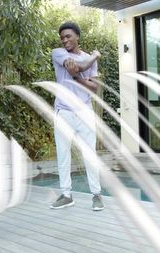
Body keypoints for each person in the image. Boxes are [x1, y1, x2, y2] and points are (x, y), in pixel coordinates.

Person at [49, 21, 104, 211]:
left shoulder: (88, 58)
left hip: (84, 111)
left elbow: (95, 87)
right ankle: (66, 195)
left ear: (77, 36)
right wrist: (95, 56)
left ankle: (96, 195)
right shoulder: (58, 53)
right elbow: (79, 66)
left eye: (68, 36)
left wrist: (77, 78)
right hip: (63, 111)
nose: (64, 40)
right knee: (63, 155)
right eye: (62, 37)